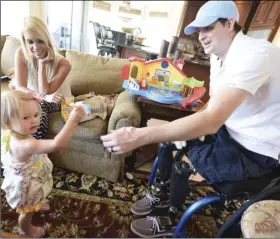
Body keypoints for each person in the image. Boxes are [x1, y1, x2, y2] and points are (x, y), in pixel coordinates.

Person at [101, 1, 280, 237]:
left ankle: (168, 219)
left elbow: (211, 119)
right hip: (230, 133)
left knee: (183, 162)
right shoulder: (218, 58)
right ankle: (159, 196)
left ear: (229, 23)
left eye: (207, 28)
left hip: (257, 151)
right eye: (198, 31)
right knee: (170, 140)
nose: (201, 36)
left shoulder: (256, 54)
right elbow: (213, 107)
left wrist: (138, 135)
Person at [1, 90, 85, 238]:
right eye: (26, 117)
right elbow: (56, 144)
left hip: (29, 176)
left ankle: (37, 203)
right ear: (8, 123)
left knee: (34, 203)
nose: (34, 120)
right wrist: (72, 121)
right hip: (27, 187)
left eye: (35, 114)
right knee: (27, 212)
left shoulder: (12, 133)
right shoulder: (27, 144)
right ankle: (26, 231)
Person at [13, 16, 72, 139]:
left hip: (59, 100)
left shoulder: (64, 64)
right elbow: (20, 87)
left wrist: (42, 63)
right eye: (30, 42)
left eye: (40, 41)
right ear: (24, 42)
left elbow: (46, 91)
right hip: (36, 98)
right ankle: (15, 149)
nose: (35, 47)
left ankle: (36, 150)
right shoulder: (20, 54)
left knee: (37, 109)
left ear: (47, 40)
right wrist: (42, 97)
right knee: (12, 105)